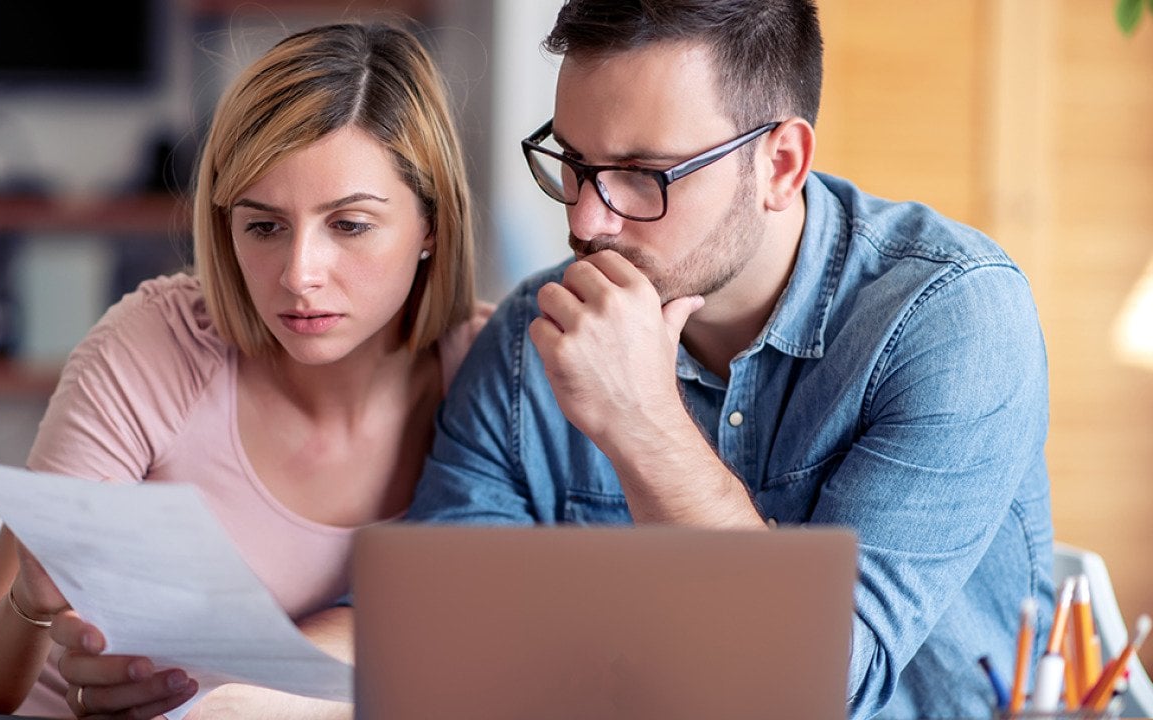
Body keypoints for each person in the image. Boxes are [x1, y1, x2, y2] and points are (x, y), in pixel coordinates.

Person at [404, 1, 1053, 719]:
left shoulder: (952, 317)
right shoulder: (533, 337)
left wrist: (644, 425)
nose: (585, 221)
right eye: (574, 164)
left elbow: (815, 685)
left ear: (780, 165)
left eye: (643, 173)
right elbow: (443, 634)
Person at [0, 21, 483, 720]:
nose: (299, 275)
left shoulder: (496, 376)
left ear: (431, 223)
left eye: (349, 225)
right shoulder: (152, 351)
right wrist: (33, 604)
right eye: (264, 226)